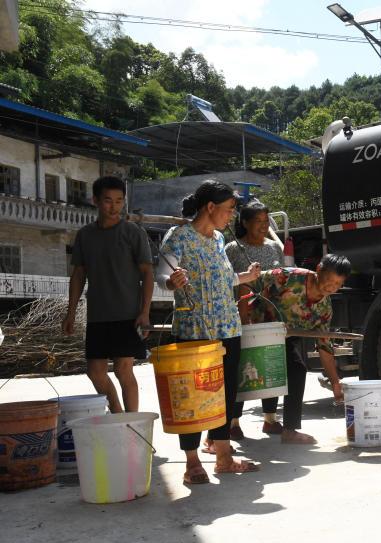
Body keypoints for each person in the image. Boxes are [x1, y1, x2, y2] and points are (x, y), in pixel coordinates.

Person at [156, 179, 261, 484]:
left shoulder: (217, 239)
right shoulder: (179, 236)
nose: (232, 215)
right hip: (194, 331)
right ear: (210, 207)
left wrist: (246, 277)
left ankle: (224, 457)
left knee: (224, 394)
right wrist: (170, 281)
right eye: (229, 209)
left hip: (227, 328)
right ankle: (192, 463)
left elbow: (221, 280)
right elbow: (164, 271)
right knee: (191, 397)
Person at [62, 176, 153, 414]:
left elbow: (148, 273)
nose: (114, 207)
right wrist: (70, 312)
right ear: (95, 201)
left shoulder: (133, 232)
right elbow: (78, 275)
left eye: (119, 201)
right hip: (97, 315)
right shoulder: (85, 235)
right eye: (108, 201)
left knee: (124, 370)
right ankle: (117, 414)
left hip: (128, 314)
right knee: (95, 372)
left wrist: (145, 312)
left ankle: (134, 424)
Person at [241, 255, 351, 444]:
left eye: (338, 284)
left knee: (295, 369)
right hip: (253, 330)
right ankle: (230, 427)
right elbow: (248, 281)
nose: (331, 287)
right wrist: (243, 321)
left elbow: (324, 345)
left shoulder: (324, 307)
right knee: (242, 376)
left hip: (282, 339)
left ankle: (289, 430)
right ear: (319, 269)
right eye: (329, 280)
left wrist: (335, 382)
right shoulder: (289, 277)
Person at [224, 200, 285, 439]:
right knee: (242, 367)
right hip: (241, 316)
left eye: (265, 221)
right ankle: (233, 422)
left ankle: (270, 418)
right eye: (257, 221)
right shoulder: (232, 248)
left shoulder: (274, 247)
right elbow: (231, 284)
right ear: (245, 223)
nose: (262, 226)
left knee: (271, 363)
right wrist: (243, 316)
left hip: (271, 315)